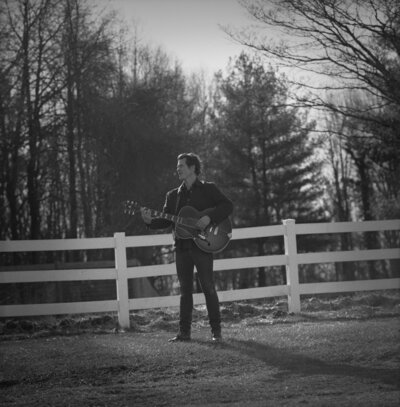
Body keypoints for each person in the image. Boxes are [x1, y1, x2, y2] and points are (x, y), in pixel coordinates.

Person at [141, 153, 233, 342]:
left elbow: (227, 206)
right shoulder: (173, 195)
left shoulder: (209, 189)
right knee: (185, 291)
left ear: (192, 168)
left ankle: (216, 332)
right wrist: (150, 222)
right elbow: (166, 220)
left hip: (203, 245)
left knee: (208, 287)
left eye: (181, 165)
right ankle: (184, 333)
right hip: (182, 248)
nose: (178, 168)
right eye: (178, 166)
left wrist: (209, 218)